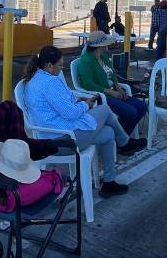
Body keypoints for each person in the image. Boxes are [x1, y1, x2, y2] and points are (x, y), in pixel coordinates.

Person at [21, 46, 145, 198]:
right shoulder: (49, 83)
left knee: (108, 133)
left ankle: (109, 183)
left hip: (54, 136)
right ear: (49, 66)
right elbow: (71, 113)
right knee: (105, 110)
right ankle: (125, 143)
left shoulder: (39, 78)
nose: (61, 68)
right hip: (61, 140)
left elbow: (61, 103)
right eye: (59, 65)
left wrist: (79, 101)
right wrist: (86, 104)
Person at [77, 31, 148, 136]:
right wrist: (110, 91)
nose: (108, 45)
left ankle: (122, 137)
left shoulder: (103, 56)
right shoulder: (86, 61)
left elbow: (112, 73)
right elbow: (88, 84)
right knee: (131, 112)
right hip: (102, 97)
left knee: (142, 106)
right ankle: (121, 139)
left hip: (113, 93)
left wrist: (118, 87)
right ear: (99, 46)